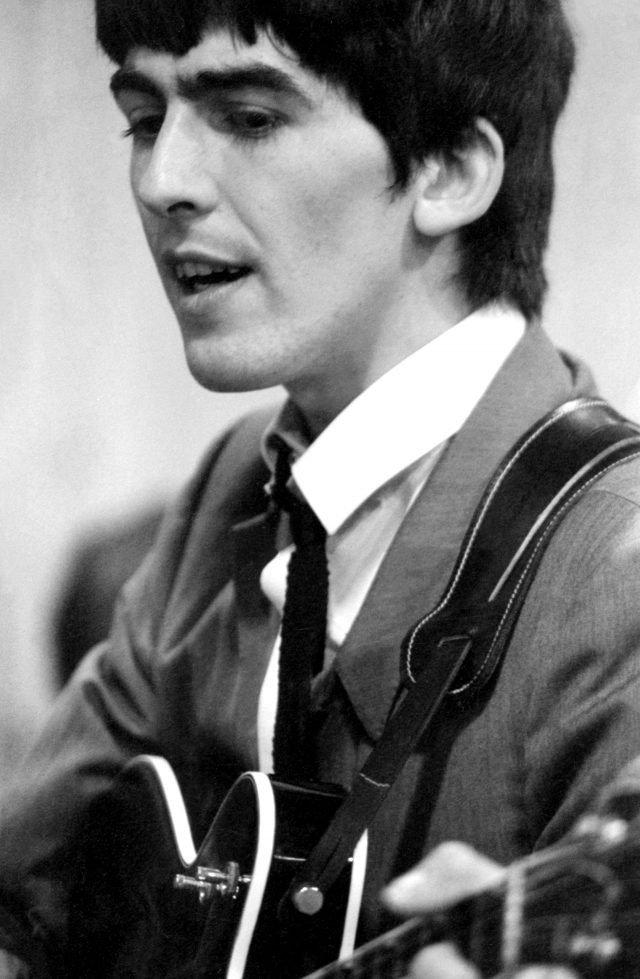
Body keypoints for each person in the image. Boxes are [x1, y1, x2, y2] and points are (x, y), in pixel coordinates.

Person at [1, 0, 640, 975]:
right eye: (144, 119)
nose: (164, 181)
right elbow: (22, 899)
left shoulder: (617, 564)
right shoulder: (238, 480)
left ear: (449, 170)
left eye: (251, 118)